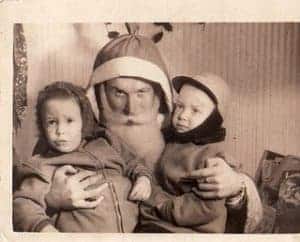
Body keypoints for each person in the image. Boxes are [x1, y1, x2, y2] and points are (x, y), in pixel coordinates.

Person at [28, 33, 263, 233]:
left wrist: (236, 188)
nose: (131, 107)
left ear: (159, 93)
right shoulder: (68, 136)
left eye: (141, 92)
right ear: (99, 92)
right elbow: (22, 202)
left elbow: (242, 219)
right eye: (118, 93)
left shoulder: (183, 135)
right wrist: (52, 199)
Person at [13, 81, 152, 232]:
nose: (60, 131)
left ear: (83, 122)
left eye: (69, 121)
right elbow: (22, 205)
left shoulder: (106, 142)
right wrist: (45, 229)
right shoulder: (42, 164)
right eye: (52, 122)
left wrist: (143, 178)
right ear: (42, 126)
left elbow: (133, 162)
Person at [138, 73, 231, 233]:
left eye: (195, 110)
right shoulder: (172, 139)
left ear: (214, 119)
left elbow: (206, 207)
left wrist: (161, 205)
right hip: (160, 218)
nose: (182, 116)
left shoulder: (213, 157)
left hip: (191, 229)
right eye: (180, 106)